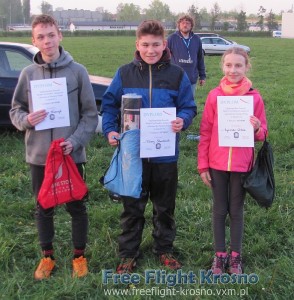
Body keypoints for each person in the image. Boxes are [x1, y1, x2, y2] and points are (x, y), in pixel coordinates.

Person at [102, 20, 196, 273]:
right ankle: (128, 253)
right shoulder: (125, 73)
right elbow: (109, 105)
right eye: (145, 45)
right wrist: (110, 130)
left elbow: (189, 106)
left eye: (156, 44)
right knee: (132, 207)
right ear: (137, 45)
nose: (151, 50)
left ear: (164, 44)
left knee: (165, 207)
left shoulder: (177, 75)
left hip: (165, 155)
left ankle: (164, 249)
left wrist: (182, 120)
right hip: (133, 155)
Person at [9, 14, 98, 280]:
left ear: (60, 35)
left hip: (71, 154)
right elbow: (16, 110)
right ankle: (47, 257)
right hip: (39, 156)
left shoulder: (77, 71)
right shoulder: (27, 74)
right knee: (43, 206)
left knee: (76, 206)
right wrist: (26, 120)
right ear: (33, 41)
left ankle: (79, 257)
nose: (46, 41)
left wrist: (75, 141)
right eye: (40, 37)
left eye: (51, 35)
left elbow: (90, 115)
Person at [197, 47, 268, 274]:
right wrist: (202, 164)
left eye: (238, 65)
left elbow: (263, 132)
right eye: (229, 65)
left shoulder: (254, 97)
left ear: (247, 67)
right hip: (216, 164)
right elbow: (205, 131)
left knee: (236, 210)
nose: (233, 70)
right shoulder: (214, 96)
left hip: (241, 165)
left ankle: (235, 257)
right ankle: (219, 256)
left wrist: (257, 128)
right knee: (219, 210)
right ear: (223, 67)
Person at [167, 14, 206, 99]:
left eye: (188, 23)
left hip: (191, 78)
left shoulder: (196, 39)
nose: (185, 25)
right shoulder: (171, 38)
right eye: (183, 23)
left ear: (191, 25)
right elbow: (164, 56)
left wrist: (202, 76)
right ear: (179, 25)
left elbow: (200, 58)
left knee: (189, 103)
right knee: (174, 103)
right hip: (175, 79)